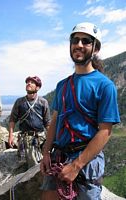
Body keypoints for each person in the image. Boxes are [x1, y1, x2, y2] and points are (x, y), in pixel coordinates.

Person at [40, 22, 120, 200]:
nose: (79, 45)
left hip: (86, 161)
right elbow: (55, 122)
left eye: (86, 41)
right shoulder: (62, 85)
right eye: (75, 40)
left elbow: (105, 131)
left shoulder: (105, 86)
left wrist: (76, 166)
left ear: (95, 48)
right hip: (59, 156)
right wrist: (46, 153)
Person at [8, 76, 51, 169]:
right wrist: (10, 136)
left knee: (40, 163)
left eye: (32, 82)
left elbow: (47, 122)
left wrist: (51, 139)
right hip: (25, 139)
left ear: (38, 87)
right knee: (32, 165)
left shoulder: (43, 102)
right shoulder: (19, 102)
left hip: (40, 138)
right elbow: (12, 120)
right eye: (27, 82)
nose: (29, 84)